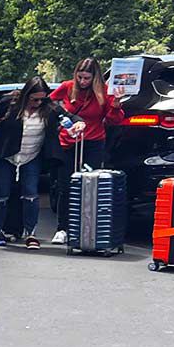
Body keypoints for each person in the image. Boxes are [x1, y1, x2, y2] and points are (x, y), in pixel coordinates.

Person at [0, 76, 63, 248]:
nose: (38, 103)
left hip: (31, 156)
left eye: (42, 99)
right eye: (34, 99)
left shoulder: (49, 109)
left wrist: (76, 124)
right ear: (26, 96)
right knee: (1, 194)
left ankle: (30, 233)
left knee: (31, 194)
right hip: (5, 155)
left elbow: (67, 116)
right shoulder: (9, 104)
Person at [48, 58, 124, 244]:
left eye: (87, 78)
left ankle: (88, 227)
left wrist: (116, 105)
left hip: (93, 142)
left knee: (90, 185)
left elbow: (115, 120)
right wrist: (62, 119)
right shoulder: (67, 87)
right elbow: (49, 104)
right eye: (80, 77)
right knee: (65, 186)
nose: (82, 82)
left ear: (94, 77)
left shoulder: (104, 92)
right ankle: (63, 228)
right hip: (68, 142)